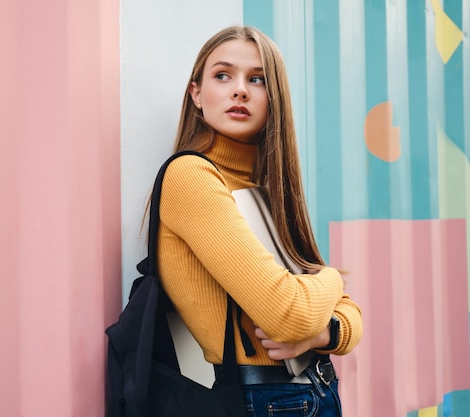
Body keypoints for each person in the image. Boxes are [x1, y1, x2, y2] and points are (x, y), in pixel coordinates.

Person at [154, 25, 363, 416]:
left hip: (313, 390)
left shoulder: (266, 187)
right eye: (222, 75)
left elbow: (350, 316)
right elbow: (286, 313)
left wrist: (322, 333)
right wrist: (332, 279)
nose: (240, 90)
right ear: (196, 93)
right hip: (266, 401)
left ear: (274, 99)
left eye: (257, 79)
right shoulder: (193, 177)